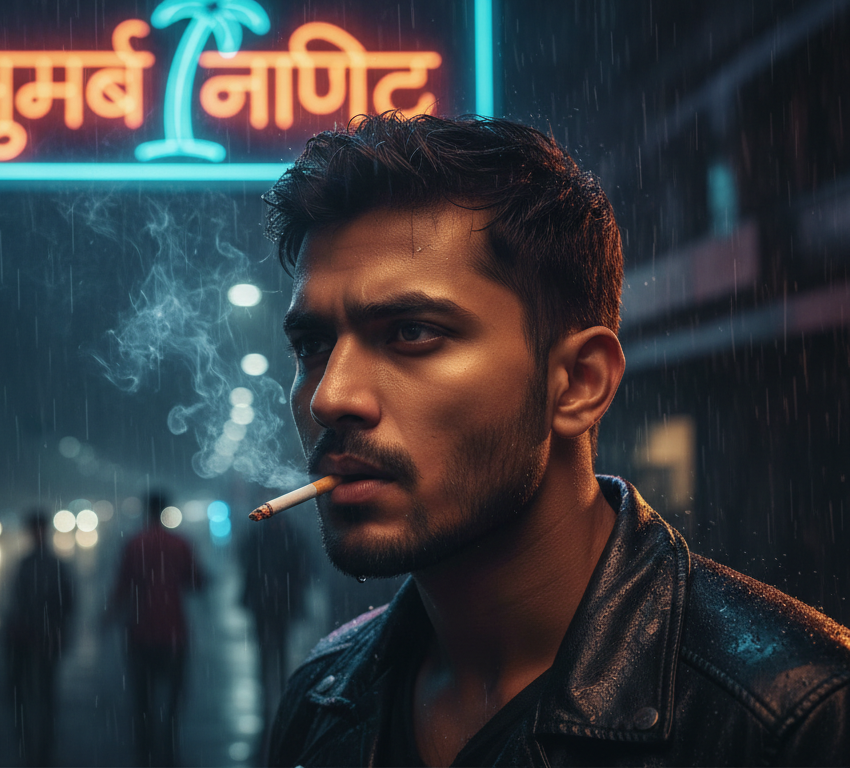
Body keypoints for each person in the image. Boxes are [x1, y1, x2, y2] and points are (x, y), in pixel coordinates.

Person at [262, 113, 850, 766]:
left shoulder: (796, 719)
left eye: (412, 333)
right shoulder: (321, 696)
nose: (330, 396)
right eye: (312, 345)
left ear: (578, 383)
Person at [108, 491, 205, 767]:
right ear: (165, 510)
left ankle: (146, 748)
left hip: (141, 630)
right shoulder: (180, 543)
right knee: (174, 693)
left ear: (145, 510)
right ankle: (168, 741)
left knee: (143, 695)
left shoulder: (134, 544)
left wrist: (108, 617)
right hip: (173, 631)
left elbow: (122, 586)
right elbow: (196, 581)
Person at [4, 509, 75, 766]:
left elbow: (64, 601)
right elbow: (68, 601)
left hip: (31, 635)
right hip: (37, 635)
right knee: (42, 690)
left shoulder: (33, 564)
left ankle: (32, 742)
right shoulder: (51, 564)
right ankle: (42, 743)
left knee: (30, 690)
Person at [237, 512, 310, 722]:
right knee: (277, 644)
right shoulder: (289, 536)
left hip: (267, 601)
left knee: (271, 645)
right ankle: (277, 685)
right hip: (277, 600)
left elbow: (246, 560)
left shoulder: (259, 536)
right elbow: (303, 566)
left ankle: (271, 686)